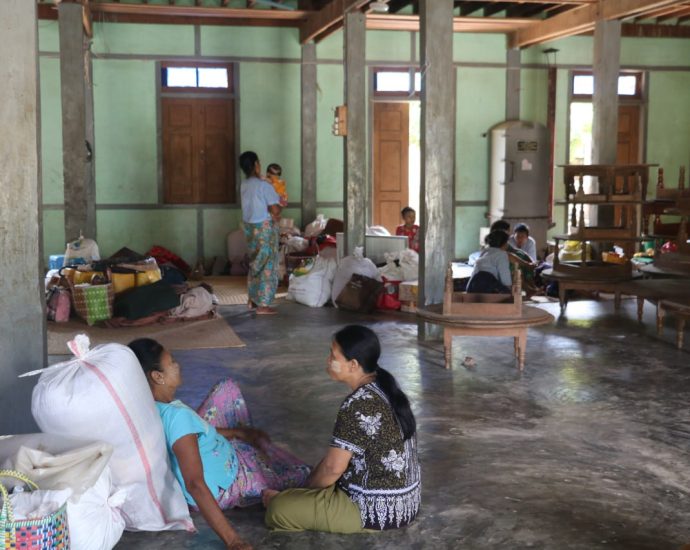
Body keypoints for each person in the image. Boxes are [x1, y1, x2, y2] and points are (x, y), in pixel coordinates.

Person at [128, 338, 310, 550]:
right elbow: (195, 483)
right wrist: (233, 541)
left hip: (210, 450)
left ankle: (244, 442)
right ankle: (253, 479)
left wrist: (236, 432)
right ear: (157, 376)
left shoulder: (147, 406)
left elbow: (191, 433)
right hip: (228, 481)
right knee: (303, 473)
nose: (178, 365)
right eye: (172, 362)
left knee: (227, 388)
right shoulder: (178, 418)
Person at [264, 325, 421, 533]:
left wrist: (296, 496)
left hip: (374, 510)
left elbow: (333, 469)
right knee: (312, 475)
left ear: (353, 365)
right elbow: (335, 460)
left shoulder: (357, 404)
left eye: (333, 355)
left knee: (278, 508)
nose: (328, 360)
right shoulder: (384, 386)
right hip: (407, 503)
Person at [239, 151, 282, 315]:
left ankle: (253, 299)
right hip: (264, 228)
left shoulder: (244, 184)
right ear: (256, 165)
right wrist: (280, 202)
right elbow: (275, 210)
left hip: (250, 228)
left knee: (255, 262)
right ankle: (263, 305)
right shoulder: (265, 186)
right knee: (267, 264)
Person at [467, 229, 512, 293]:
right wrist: (509, 290)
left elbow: (473, 275)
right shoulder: (502, 254)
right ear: (504, 243)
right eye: (507, 242)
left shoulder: (484, 252)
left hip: (472, 288)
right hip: (488, 290)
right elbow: (506, 279)